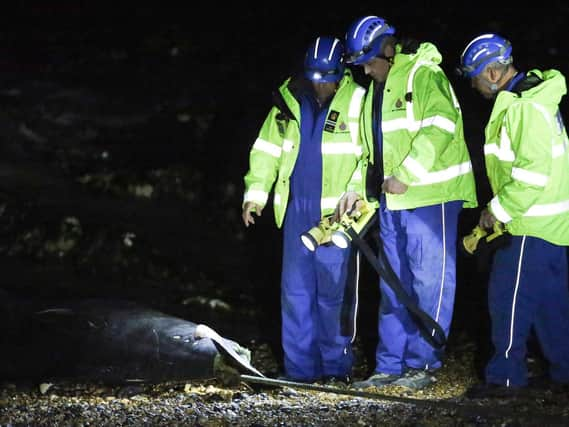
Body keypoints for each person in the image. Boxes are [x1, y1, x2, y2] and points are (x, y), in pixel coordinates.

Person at [337, 15, 478, 390]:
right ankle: (389, 366)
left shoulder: (424, 76)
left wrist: (407, 175)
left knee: (429, 284)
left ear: (387, 47)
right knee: (392, 286)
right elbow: (368, 151)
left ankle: (423, 364)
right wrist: (354, 188)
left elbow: (442, 126)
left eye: (369, 61)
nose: (366, 70)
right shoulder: (374, 93)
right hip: (392, 204)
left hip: (432, 199)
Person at [241, 36, 366, 383]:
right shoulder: (287, 101)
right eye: (314, 76)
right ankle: (299, 372)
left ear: (341, 73)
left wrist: (356, 194)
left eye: (327, 77)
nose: (320, 84)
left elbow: (369, 157)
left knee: (334, 296)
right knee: (295, 294)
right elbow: (266, 150)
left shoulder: (359, 100)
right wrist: (256, 194)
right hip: (296, 211)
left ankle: (336, 370)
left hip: (339, 217)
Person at [458, 33, 569, 397]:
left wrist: (495, 212)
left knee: (508, 301)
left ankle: (504, 380)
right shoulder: (537, 100)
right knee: (548, 304)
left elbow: (531, 176)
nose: (473, 86)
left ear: (492, 72)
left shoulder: (522, 106)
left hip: (528, 224)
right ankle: (562, 372)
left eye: (474, 77)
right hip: (553, 225)